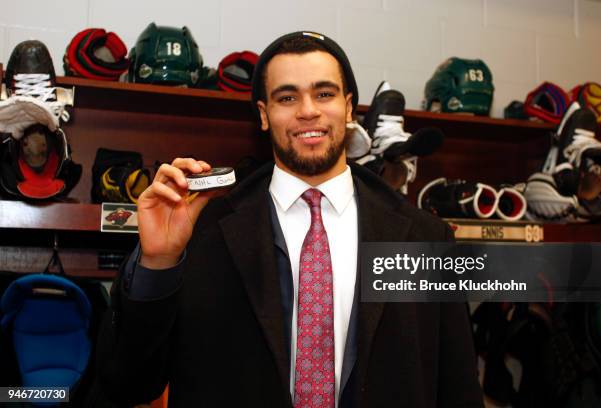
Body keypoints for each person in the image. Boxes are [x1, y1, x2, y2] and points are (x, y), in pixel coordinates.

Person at [97, 31, 484, 408]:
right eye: (287, 97)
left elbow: (458, 390)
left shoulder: (423, 238)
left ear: (349, 108)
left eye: (324, 93)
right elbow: (130, 382)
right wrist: (160, 262)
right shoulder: (203, 229)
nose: (308, 110)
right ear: (264, 115)